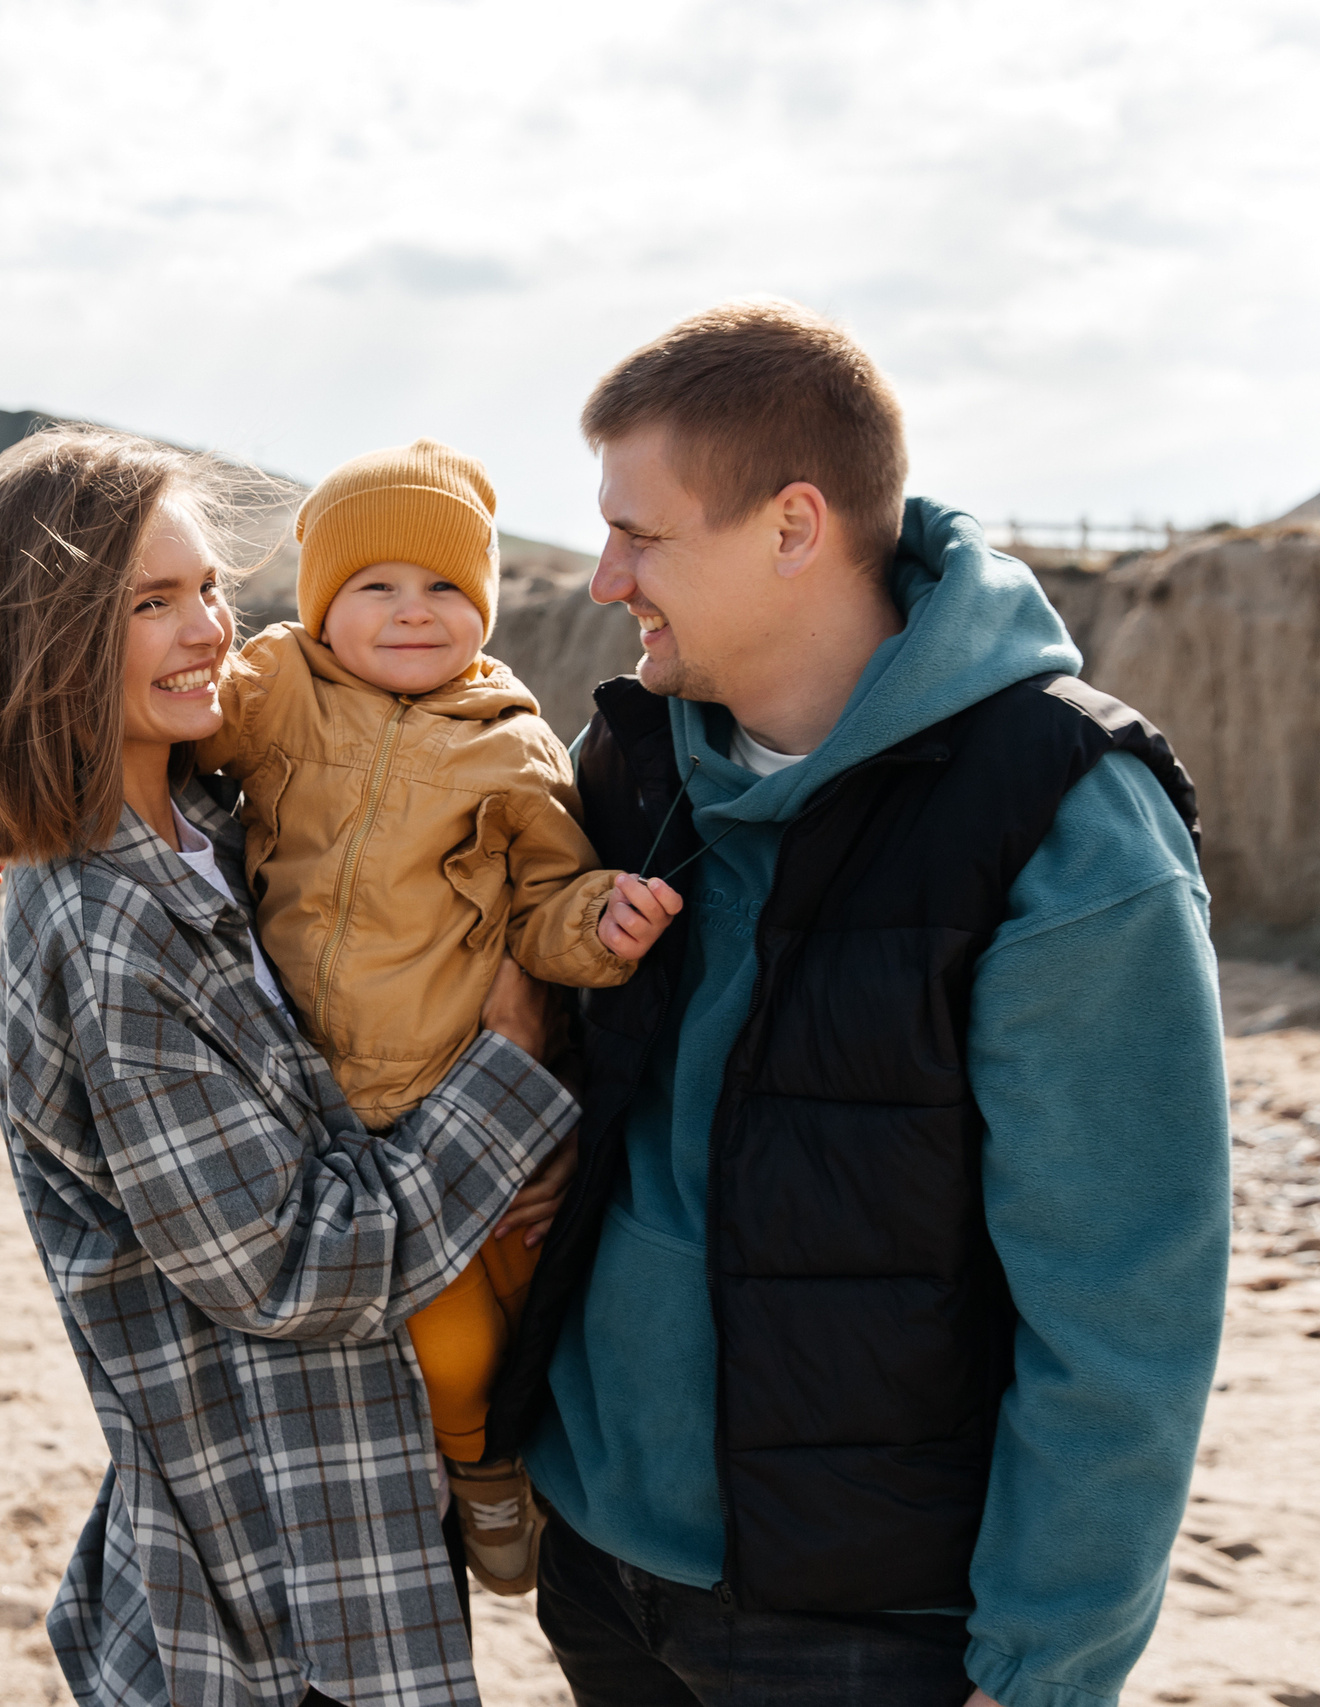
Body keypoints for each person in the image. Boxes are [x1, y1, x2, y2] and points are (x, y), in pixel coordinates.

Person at [482, 299, 1231, 1707]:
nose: (602, 577)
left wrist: (1045, 1666)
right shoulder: (630, 761)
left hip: (870, 1621)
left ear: (793, 525)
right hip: (597, 1555)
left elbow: (1126, 1294)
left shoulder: (1067, 822)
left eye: (642, 533)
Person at [0, 424, 580, 1707]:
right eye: (150, 603)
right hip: (272, 1603)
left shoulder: (225, 826)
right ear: (45, 637)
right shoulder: (106, 927)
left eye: (209, 587)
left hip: (359, 1513)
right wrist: (511, 1078)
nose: (209, 628)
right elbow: (288, 1266)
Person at [188, 438, 682, 1596]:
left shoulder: (507, 745)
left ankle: (487, 1474)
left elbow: (545, 905)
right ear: (321, 603)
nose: (415, 612)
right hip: (293, 1098)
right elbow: (155, 753)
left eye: (447, 588)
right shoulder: (273, 688)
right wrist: (22, 813)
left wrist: (600, 926)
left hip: (432, 1104)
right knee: (338, 1344)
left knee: (464, 1345)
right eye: (377, 587)